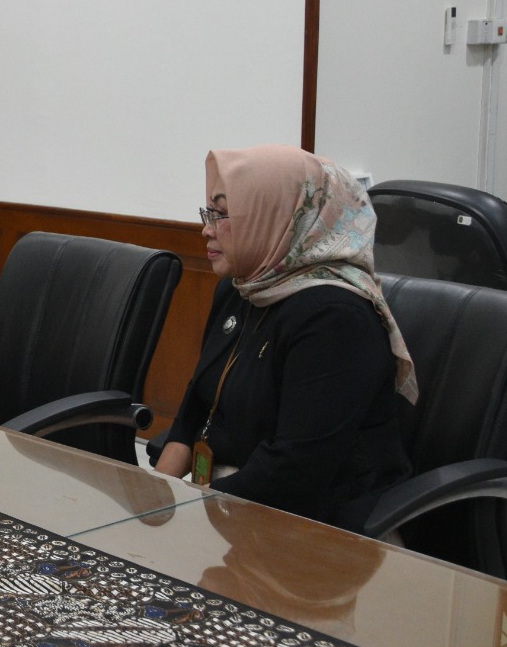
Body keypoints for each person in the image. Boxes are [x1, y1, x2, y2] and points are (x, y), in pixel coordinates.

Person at [154, 144, 417, 533]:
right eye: (209, 211)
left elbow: (294, 473)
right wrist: (156, 498)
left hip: (317, 527)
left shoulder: (335, 319)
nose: (207, 228)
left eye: (223, 213)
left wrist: (193, 515)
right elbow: (196, 407)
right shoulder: (244, 288)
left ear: (280, 217)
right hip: (228, 499)